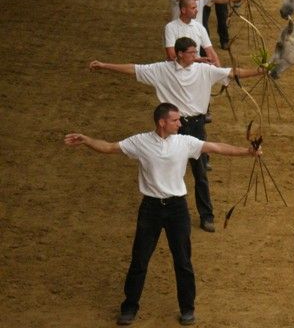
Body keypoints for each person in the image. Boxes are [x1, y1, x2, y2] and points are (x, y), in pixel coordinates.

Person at [64, 102, 261, 326]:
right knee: (139, 259)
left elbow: (216, 147)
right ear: (162, 122)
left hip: (177, 209)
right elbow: (109, 147)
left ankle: (188, 309)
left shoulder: (185, 142)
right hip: (151, 209)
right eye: (176, 120)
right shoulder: (140, 142)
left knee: (183, 261)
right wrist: (87, 140)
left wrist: (247, 152)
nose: (180, 123)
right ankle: (129, 308)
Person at [88, 37, 266, 233]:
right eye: (192, 52)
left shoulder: (204, 70)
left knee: (200, 172)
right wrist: (104, 65)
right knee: (163, 162)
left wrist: (259, 71)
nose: (196, 56)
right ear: (180, 54)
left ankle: (207, 215)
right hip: (173, 125)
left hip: (195, 124)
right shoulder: (161, 70)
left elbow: (233, 73)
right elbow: (133, 69)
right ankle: (161, 200)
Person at [165, 0, 219, 65]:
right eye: (193, 8)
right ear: (183, 10)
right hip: (177, 69)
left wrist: (221, 72)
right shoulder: (170, 27)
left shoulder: (200, 27)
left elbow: (211, 52)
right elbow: (171, 55)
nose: (196, 10)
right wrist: (197, 60)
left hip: (196, 69)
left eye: (196, 7)